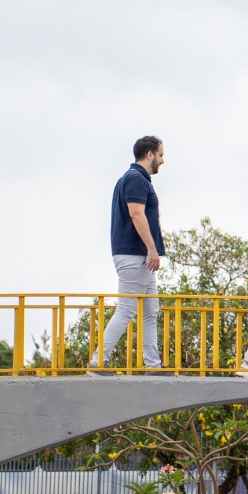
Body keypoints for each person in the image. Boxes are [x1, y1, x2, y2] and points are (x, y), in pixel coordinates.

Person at [94, 135, 165, 371]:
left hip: (139, 256)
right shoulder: (135, 179)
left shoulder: (134, 178)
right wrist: (152, 248)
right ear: (149, 154)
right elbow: (136, 214)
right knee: (126, 309)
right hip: (136, 255)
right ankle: (98, 361)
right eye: (161, 155)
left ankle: (153, 364)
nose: (163, 161)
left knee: (150, 311)